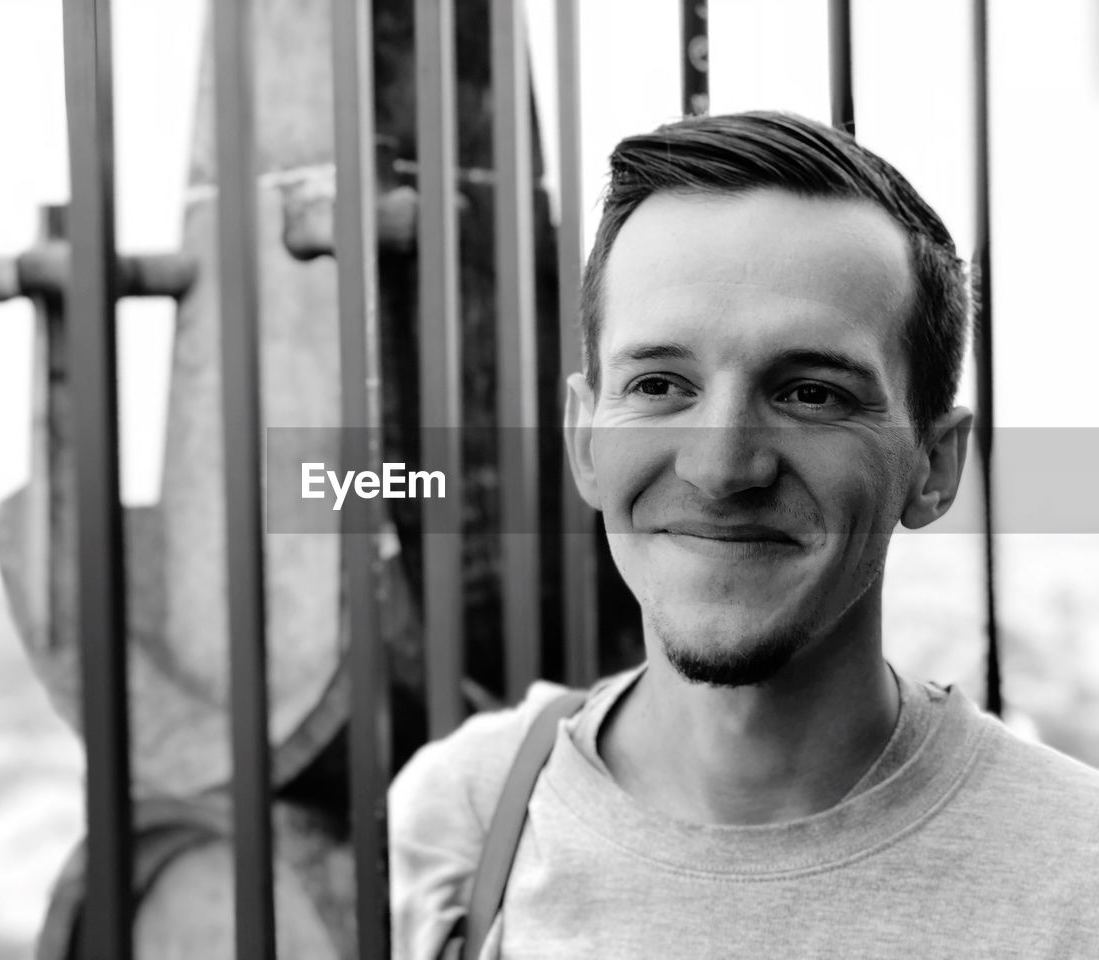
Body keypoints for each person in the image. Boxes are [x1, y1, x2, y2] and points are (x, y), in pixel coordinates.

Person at [388, 111, 1099, 959]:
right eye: (658, 384)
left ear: (934, 465)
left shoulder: (1077, 877)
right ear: (585, 440)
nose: (721, 468)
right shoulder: (466, 815)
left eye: (811, 394)